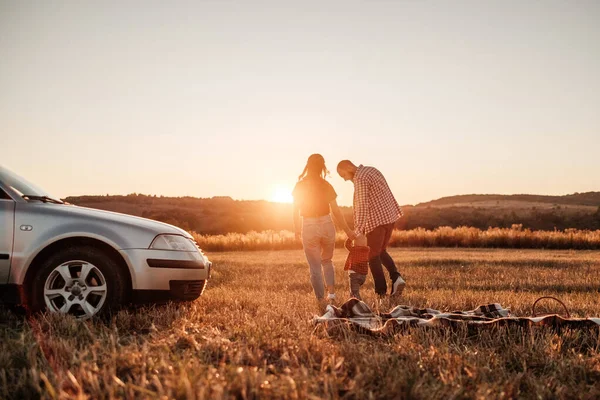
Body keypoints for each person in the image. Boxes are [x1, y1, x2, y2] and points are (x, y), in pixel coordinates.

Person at [337, 160, 406, 297]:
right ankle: (396, 278)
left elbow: (362, 206)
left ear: (348, 167)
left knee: (372, 256)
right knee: (380, 251)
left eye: (343, 175)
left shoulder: (360, 179)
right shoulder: (372, 170)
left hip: (376, 222)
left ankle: (381, 293)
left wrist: (357, 232)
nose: (344, 179)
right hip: (389, 218)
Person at [292, 154, 354, 304]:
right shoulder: (326, 185)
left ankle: (320, 300)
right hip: (327, 223)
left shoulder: (300, 185)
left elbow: (294, 209)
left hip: (309, 224)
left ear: (308, 165)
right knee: (327, 260)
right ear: (322, 167)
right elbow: (336, 211)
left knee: (314, 266)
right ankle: (331, 294)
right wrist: (348, 231)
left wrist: (297, 230)